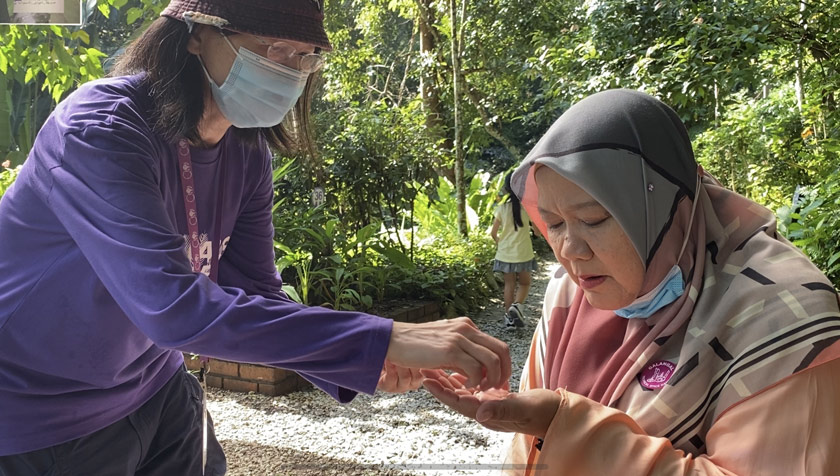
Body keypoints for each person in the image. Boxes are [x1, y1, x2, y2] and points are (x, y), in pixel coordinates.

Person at [0, 1, 511, 474]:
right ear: (198, 34)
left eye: (304, 56)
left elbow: (257, 289)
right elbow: (175, 309)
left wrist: (354, 361)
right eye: (271, 48)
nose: (288, 68)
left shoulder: (246, 153)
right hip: (39, 408)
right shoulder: (102, 128)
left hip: (153, 384)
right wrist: (383, 336)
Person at [423, 89, 840, 475]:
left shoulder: (785, 318)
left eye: (593, 220)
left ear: (664, 208)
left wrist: (566, 427)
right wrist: (525, 421)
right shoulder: (571, 292)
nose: (570, 250)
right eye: (552, 224)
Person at [490, 172, 539, 329]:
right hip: (523, 252)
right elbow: (537, 232)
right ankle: (517, 306)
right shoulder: (527, 209)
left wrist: (501, 243)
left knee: (509, 284)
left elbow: (493, 233)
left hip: (505, 253)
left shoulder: (501, 209)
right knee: (525, 282)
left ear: (506, 188)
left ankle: (509, 318)